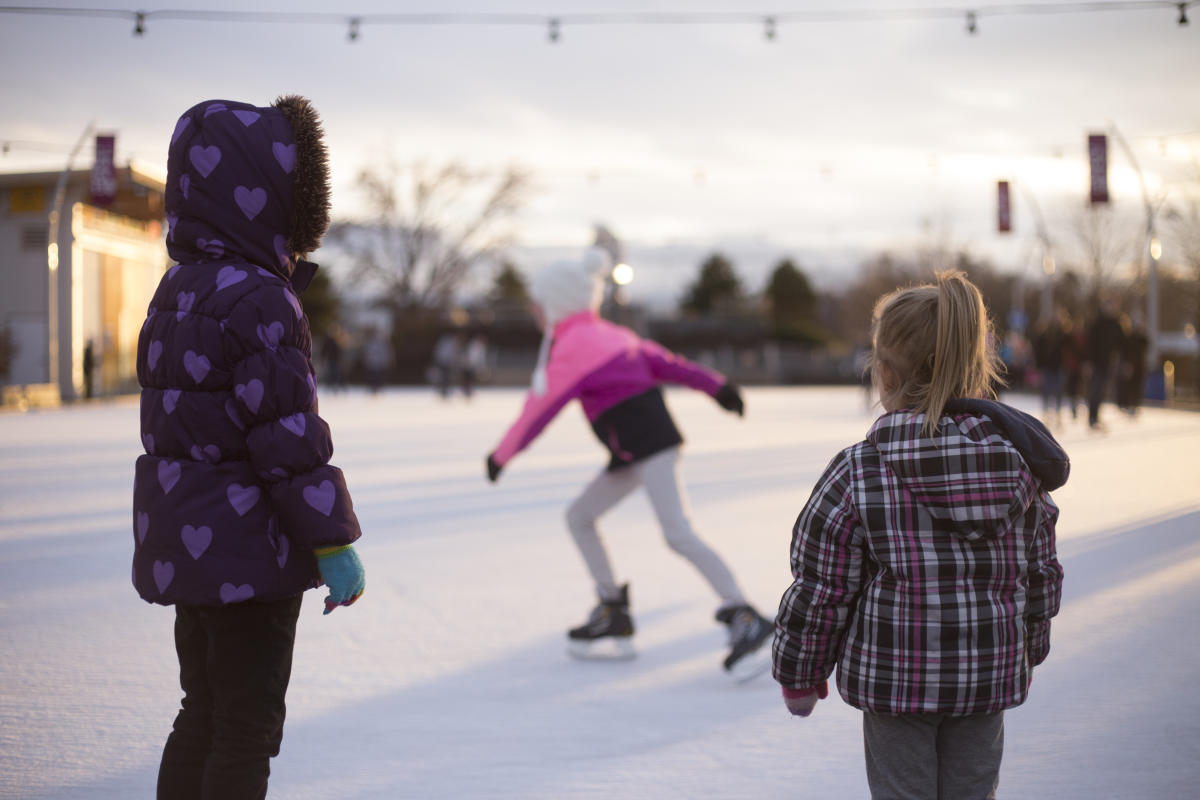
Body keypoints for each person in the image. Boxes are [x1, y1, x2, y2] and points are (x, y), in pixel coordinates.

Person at [133, 96, 366, 800]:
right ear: (272, 201)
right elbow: (286, 437)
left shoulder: (177, 290)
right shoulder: (261, 301)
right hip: (250, 557)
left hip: (190, 545)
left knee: (202, 710)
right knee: (248, 728)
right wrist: (333, 542)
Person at [773, 271, 1066, 799]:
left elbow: (823, 584)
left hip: (895, 682)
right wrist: (1027, 648)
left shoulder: (861, 470)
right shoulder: (1017, 465)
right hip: (985, 676)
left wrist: (800, 668)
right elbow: (1039, 572)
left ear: (883, 372)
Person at [484, 247, 773, 679]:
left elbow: (537, 410)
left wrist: (500, 455)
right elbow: (669, 364)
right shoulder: (611, 334)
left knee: (677, 534)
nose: (532, 310)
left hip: (650, 447)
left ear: (556, 302)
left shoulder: (574, 347)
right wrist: (719, 388)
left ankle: (744, 614)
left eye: (538, 303)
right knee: (580, 516)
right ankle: (613, 610)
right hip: (634, 451)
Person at [1084, 295, 1125, 431]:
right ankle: (1092, 417)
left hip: (1109, 363)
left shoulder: (1117, 324)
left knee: (1102, 391)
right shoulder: (1097, 323)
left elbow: (1122, 344)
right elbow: (1090, 344)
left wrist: (1121, 360)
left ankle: (1096, 416)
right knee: (1095, 390)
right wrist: (1088, 362)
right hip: (1096, 363)